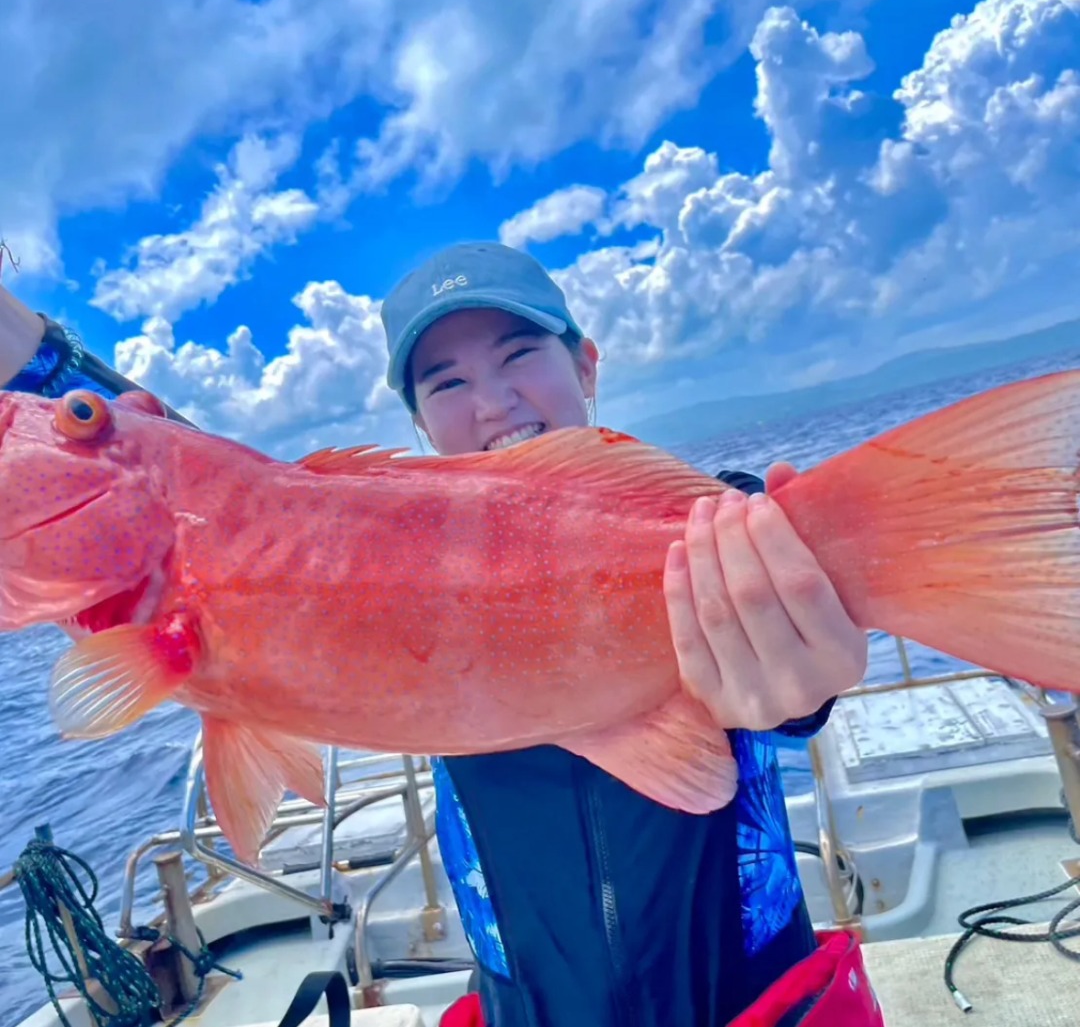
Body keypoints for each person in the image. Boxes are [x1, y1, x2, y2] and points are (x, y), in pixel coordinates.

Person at [1, 242, 878, 1027]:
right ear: (420, 424)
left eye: (520, 353)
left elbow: (797, 680)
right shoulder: (363, 546)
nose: (492, 402)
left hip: (763, 999)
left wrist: (805, 679)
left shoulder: (707, 522)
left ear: (587, 366)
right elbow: (168, 467)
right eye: (445, 383)